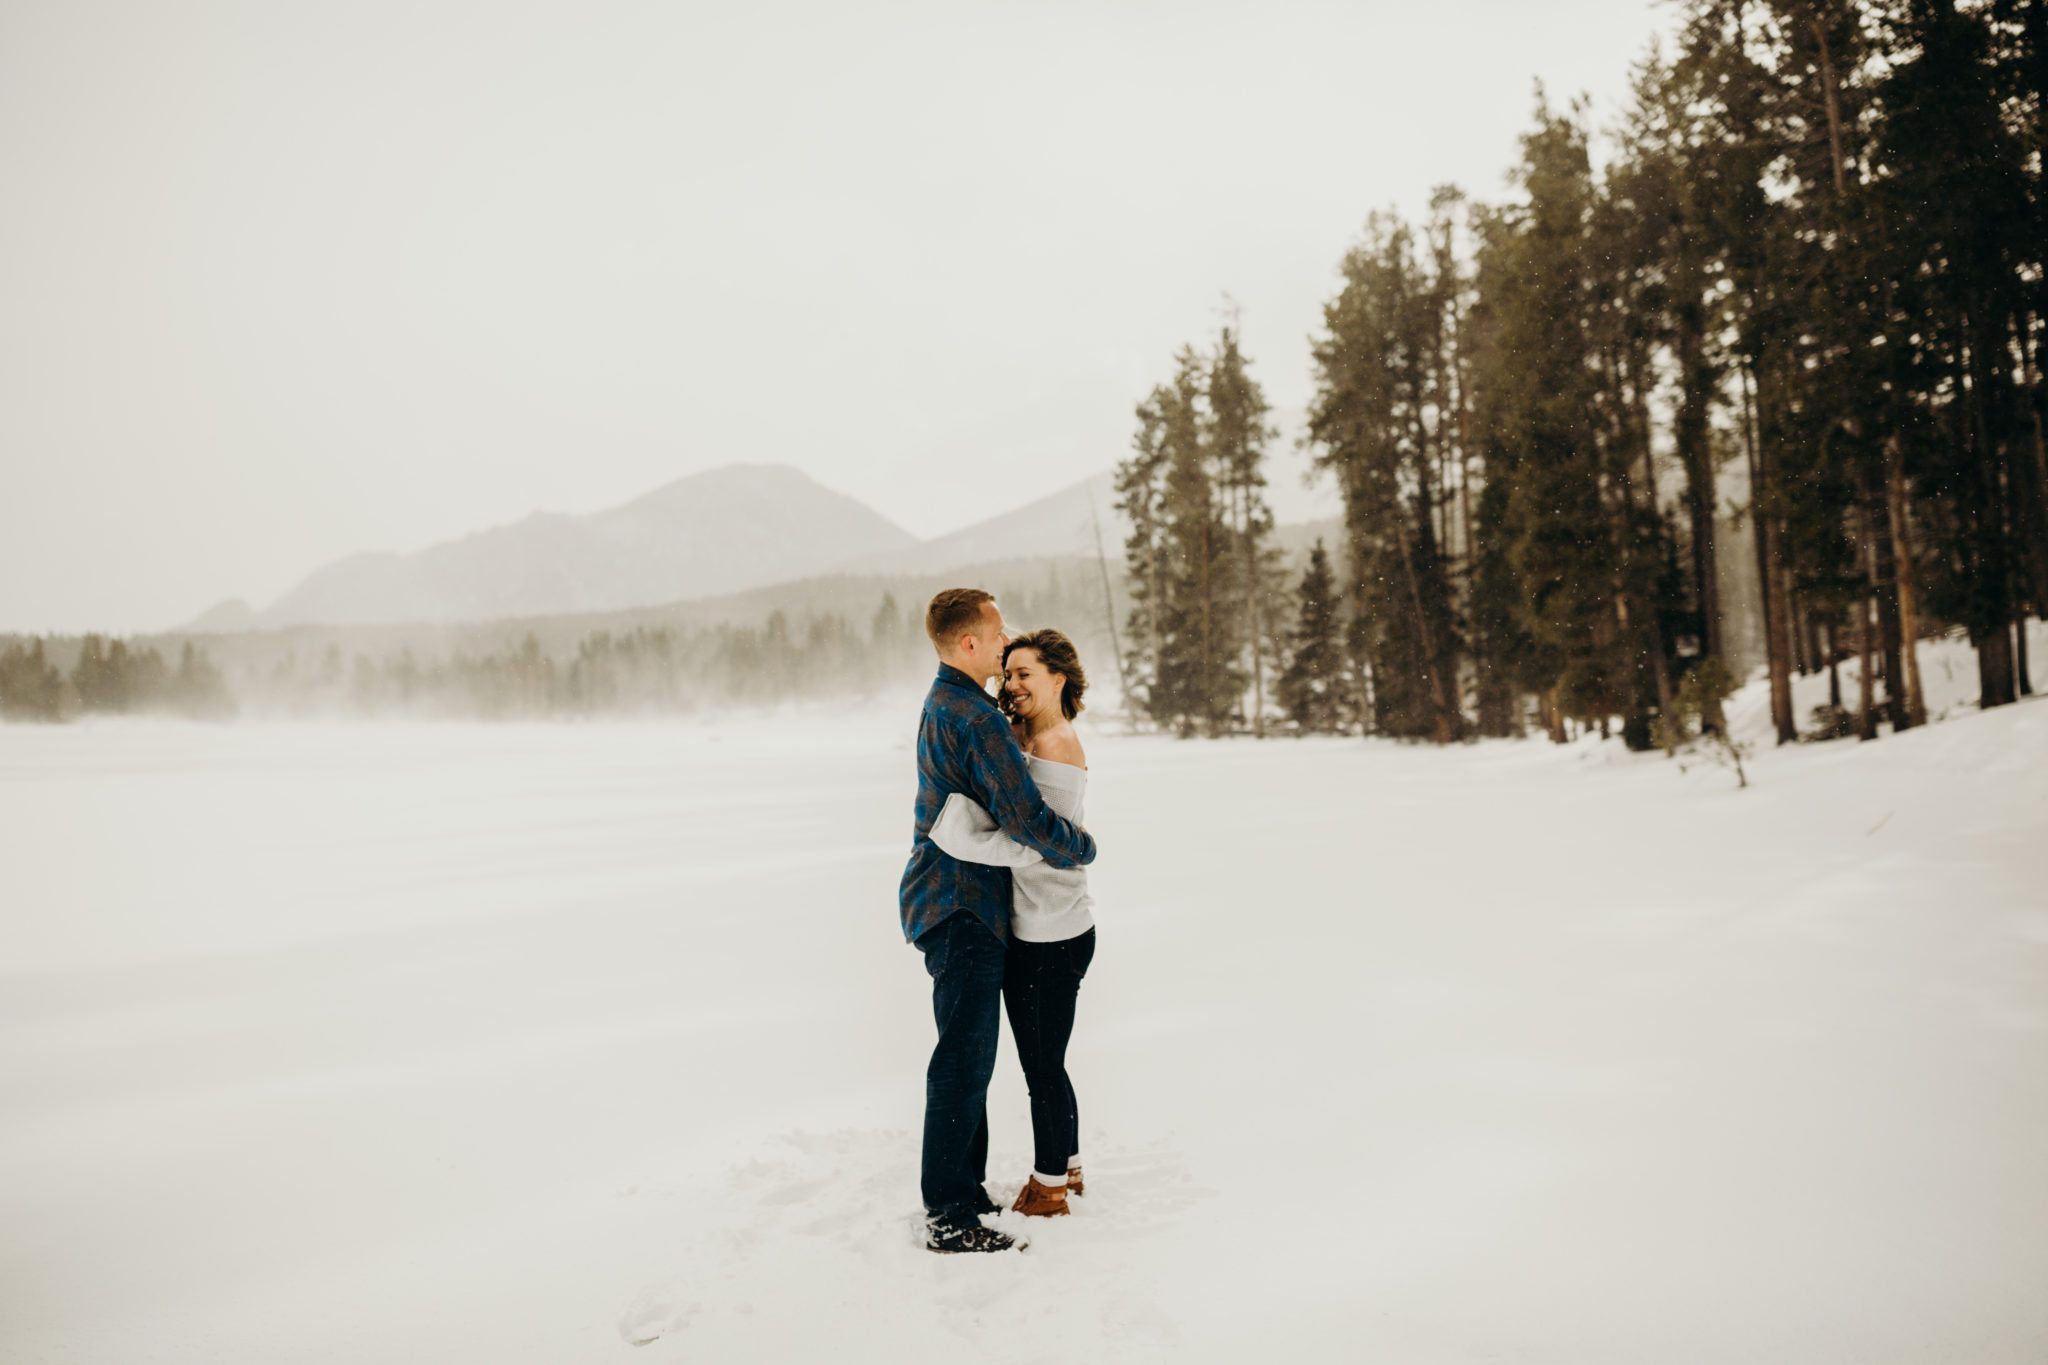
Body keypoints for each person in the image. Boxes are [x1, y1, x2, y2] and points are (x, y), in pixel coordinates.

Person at [900, 589, 1097, 1254]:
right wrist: (1080, 847)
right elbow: (1026, 819)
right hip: (964, 907)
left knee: (969, 1059)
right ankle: (950, 1213)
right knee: (963, 1062)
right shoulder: (978, 717)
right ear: (970, 644)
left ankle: (964, 1189)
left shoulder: (943, 700)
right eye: (997, 631)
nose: (1005, 638)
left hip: (950, 902)